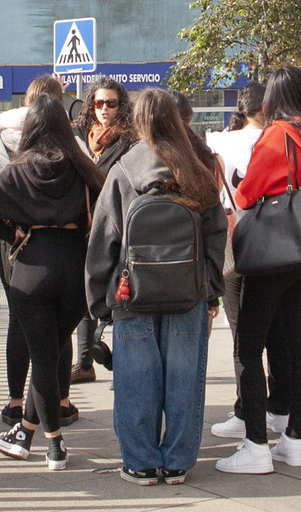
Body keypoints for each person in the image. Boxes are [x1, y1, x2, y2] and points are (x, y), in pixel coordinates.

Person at [85, 88, 227, 486]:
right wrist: (208, 283)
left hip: (134, 295)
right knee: (185, 380)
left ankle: (141, 462)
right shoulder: (196, 169)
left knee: (135, 380)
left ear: (137, 121)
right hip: (188, 294)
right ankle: (179, 461)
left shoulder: (123, 170)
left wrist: (99, 300)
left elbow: (104, 240)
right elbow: (217, 233)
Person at [216, 65, 301, 475]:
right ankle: (295, 440)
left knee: (248, 347)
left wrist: (234, 180)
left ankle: (255, 444)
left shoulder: (277, 135)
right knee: (300, 344)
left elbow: (248, 193)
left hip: (273, 254)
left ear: (273, 99)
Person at [0, 94, 105, 471]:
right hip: (76, 269)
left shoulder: (18, 170)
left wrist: (13, 233)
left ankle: (54, 445)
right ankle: (24, 433)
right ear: (64, 125)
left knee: (43, 357)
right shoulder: (84, 168)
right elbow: (110, 216)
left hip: (32, 268)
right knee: (52, 350)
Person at [0, 74, 79, 428]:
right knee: (55, 336)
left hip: (20, 249)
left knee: (19, 324)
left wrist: (10, 228)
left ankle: (15, 402)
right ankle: (60, 402)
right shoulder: (72, 148)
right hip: (68, 254)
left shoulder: (2, 145)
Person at [206, 83, 289, 442]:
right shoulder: (280, 140)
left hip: (235, 242)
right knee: (278, 332)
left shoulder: (220, 144)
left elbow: (213, 194)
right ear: (266, 109)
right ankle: (279, 409)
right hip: (274, 242)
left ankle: (245, 410)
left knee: (243, 336)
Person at [71, 77, 136, 383]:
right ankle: (84, 362)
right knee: (86, 292)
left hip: (116, 226)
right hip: (85, 226)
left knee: (116, 296)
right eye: (99, 103)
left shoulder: (129, 140)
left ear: (121, 105)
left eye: (111, 103)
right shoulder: (81, 137)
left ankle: (123, 364)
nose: (105, 109)